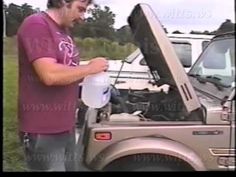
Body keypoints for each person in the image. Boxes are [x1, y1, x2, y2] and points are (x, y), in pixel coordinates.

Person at [17, 0, 108, 171]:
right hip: (43, 128)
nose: (83, 17)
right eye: (80, 9)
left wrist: (90, 75)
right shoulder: (37, 25)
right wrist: (89, 68)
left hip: (65, 125)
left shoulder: (64, 31)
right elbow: (50, 75)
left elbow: (68, 70)